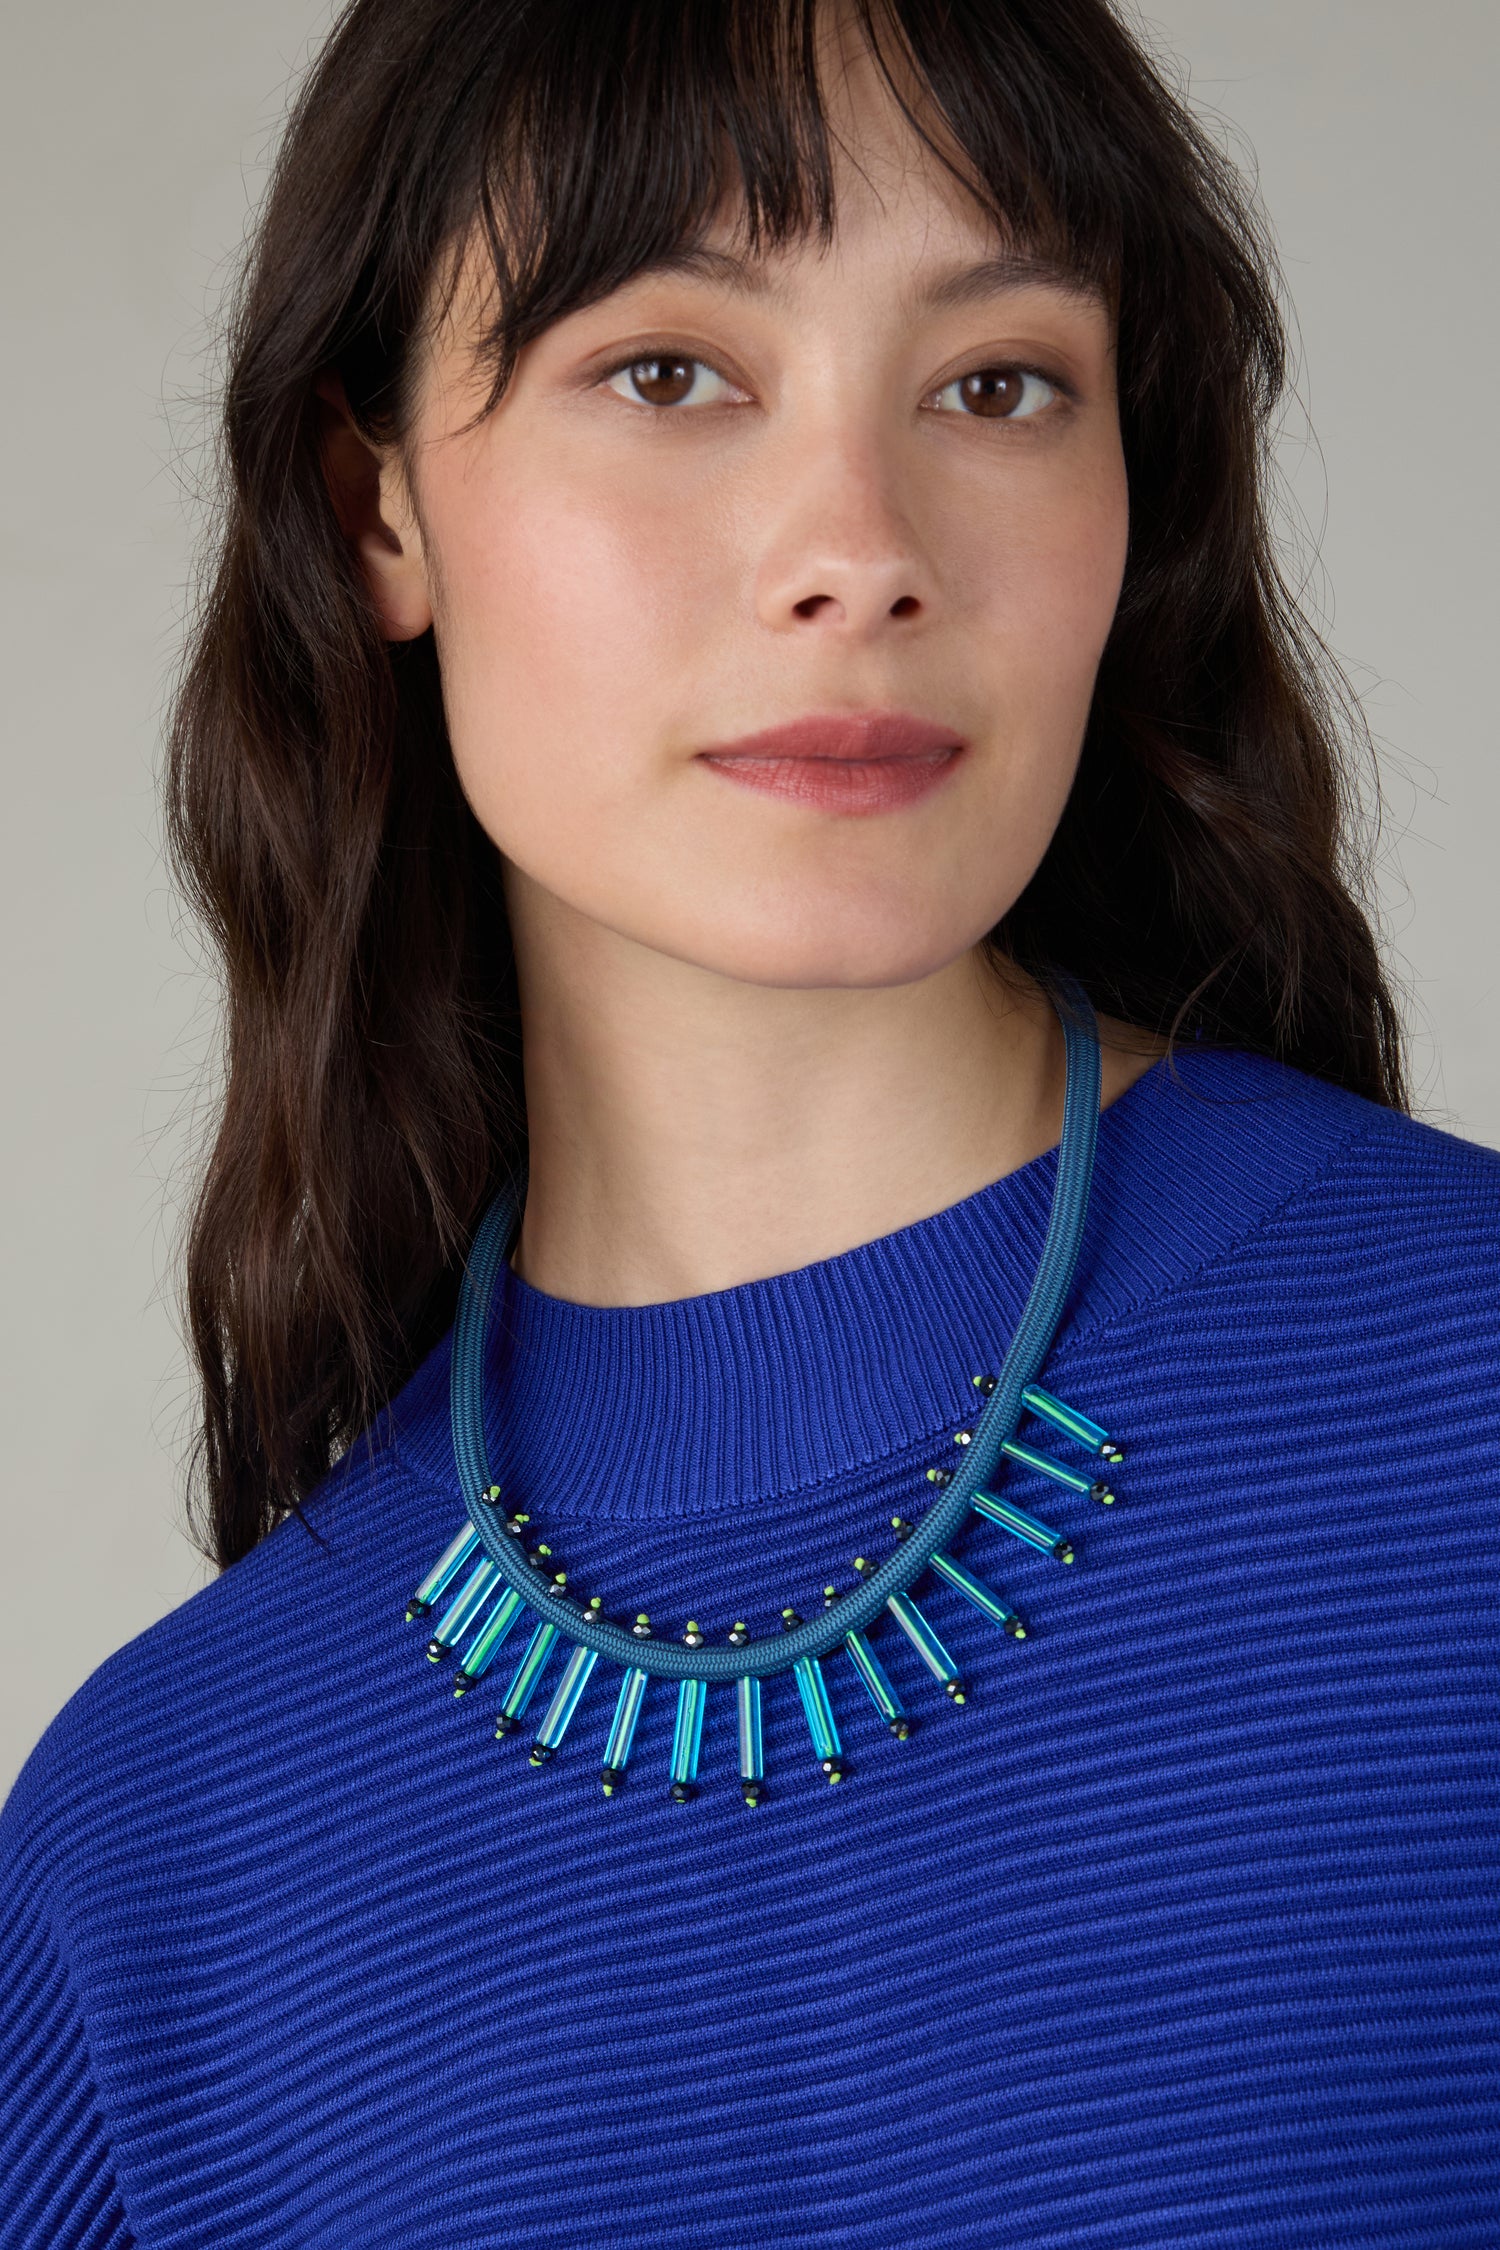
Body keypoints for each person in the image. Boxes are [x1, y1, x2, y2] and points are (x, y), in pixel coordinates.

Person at [3, 0, 1496, 2242]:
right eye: (671, 370)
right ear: (376, 495)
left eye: (997, 385)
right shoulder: (151, 1851)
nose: (860, 547)